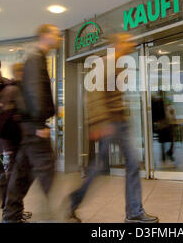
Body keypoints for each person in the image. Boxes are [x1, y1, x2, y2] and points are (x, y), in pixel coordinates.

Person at [65, 33, 159, 223]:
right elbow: (94, 94)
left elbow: (114, 96)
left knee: (131, 164)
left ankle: (134, 212)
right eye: (127, 41)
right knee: (99, 169)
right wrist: (100, 123)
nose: (130, 44)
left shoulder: (118, 64)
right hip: (109, 123)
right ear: (118, 44)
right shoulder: (106, 63)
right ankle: (74, 200)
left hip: (119, 123)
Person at [2, 24, 62, 223]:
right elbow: (35, 92)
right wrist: (39, 124)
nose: (60, 37)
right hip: (34, 126)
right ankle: (57, 217)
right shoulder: (36, 58)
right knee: (47, 171)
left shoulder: (35, 58)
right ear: (45, 36)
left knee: (22, 174)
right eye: (56, 34)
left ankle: (11, 216)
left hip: (29, 126)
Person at [0, 63, 32, 219]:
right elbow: (5, 117)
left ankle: (15, 211)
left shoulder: (18, 89)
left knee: (16, 176)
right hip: (9, 141)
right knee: (12, 176)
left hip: (14, 140)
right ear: (20, 72)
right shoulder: (13, 90)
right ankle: (9, 212)